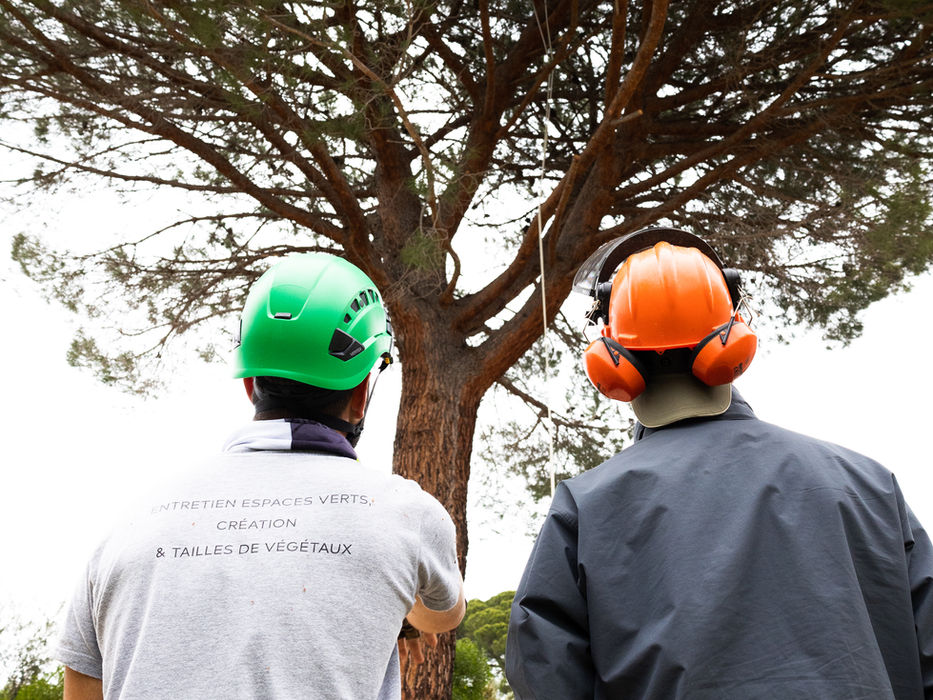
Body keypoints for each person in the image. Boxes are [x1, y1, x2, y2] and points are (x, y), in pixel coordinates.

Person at [505, 227, 933, 699]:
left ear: (612, 359)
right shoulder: (869, 484)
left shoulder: (585, 508)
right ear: (733, 337)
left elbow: (545, 672)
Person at [56, 253, 465, 699]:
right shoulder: (407, 514)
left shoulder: (129, 521)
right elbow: (442, 615)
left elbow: (81, 679)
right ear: (361, 393)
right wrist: (396, 609)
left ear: (250, 384)